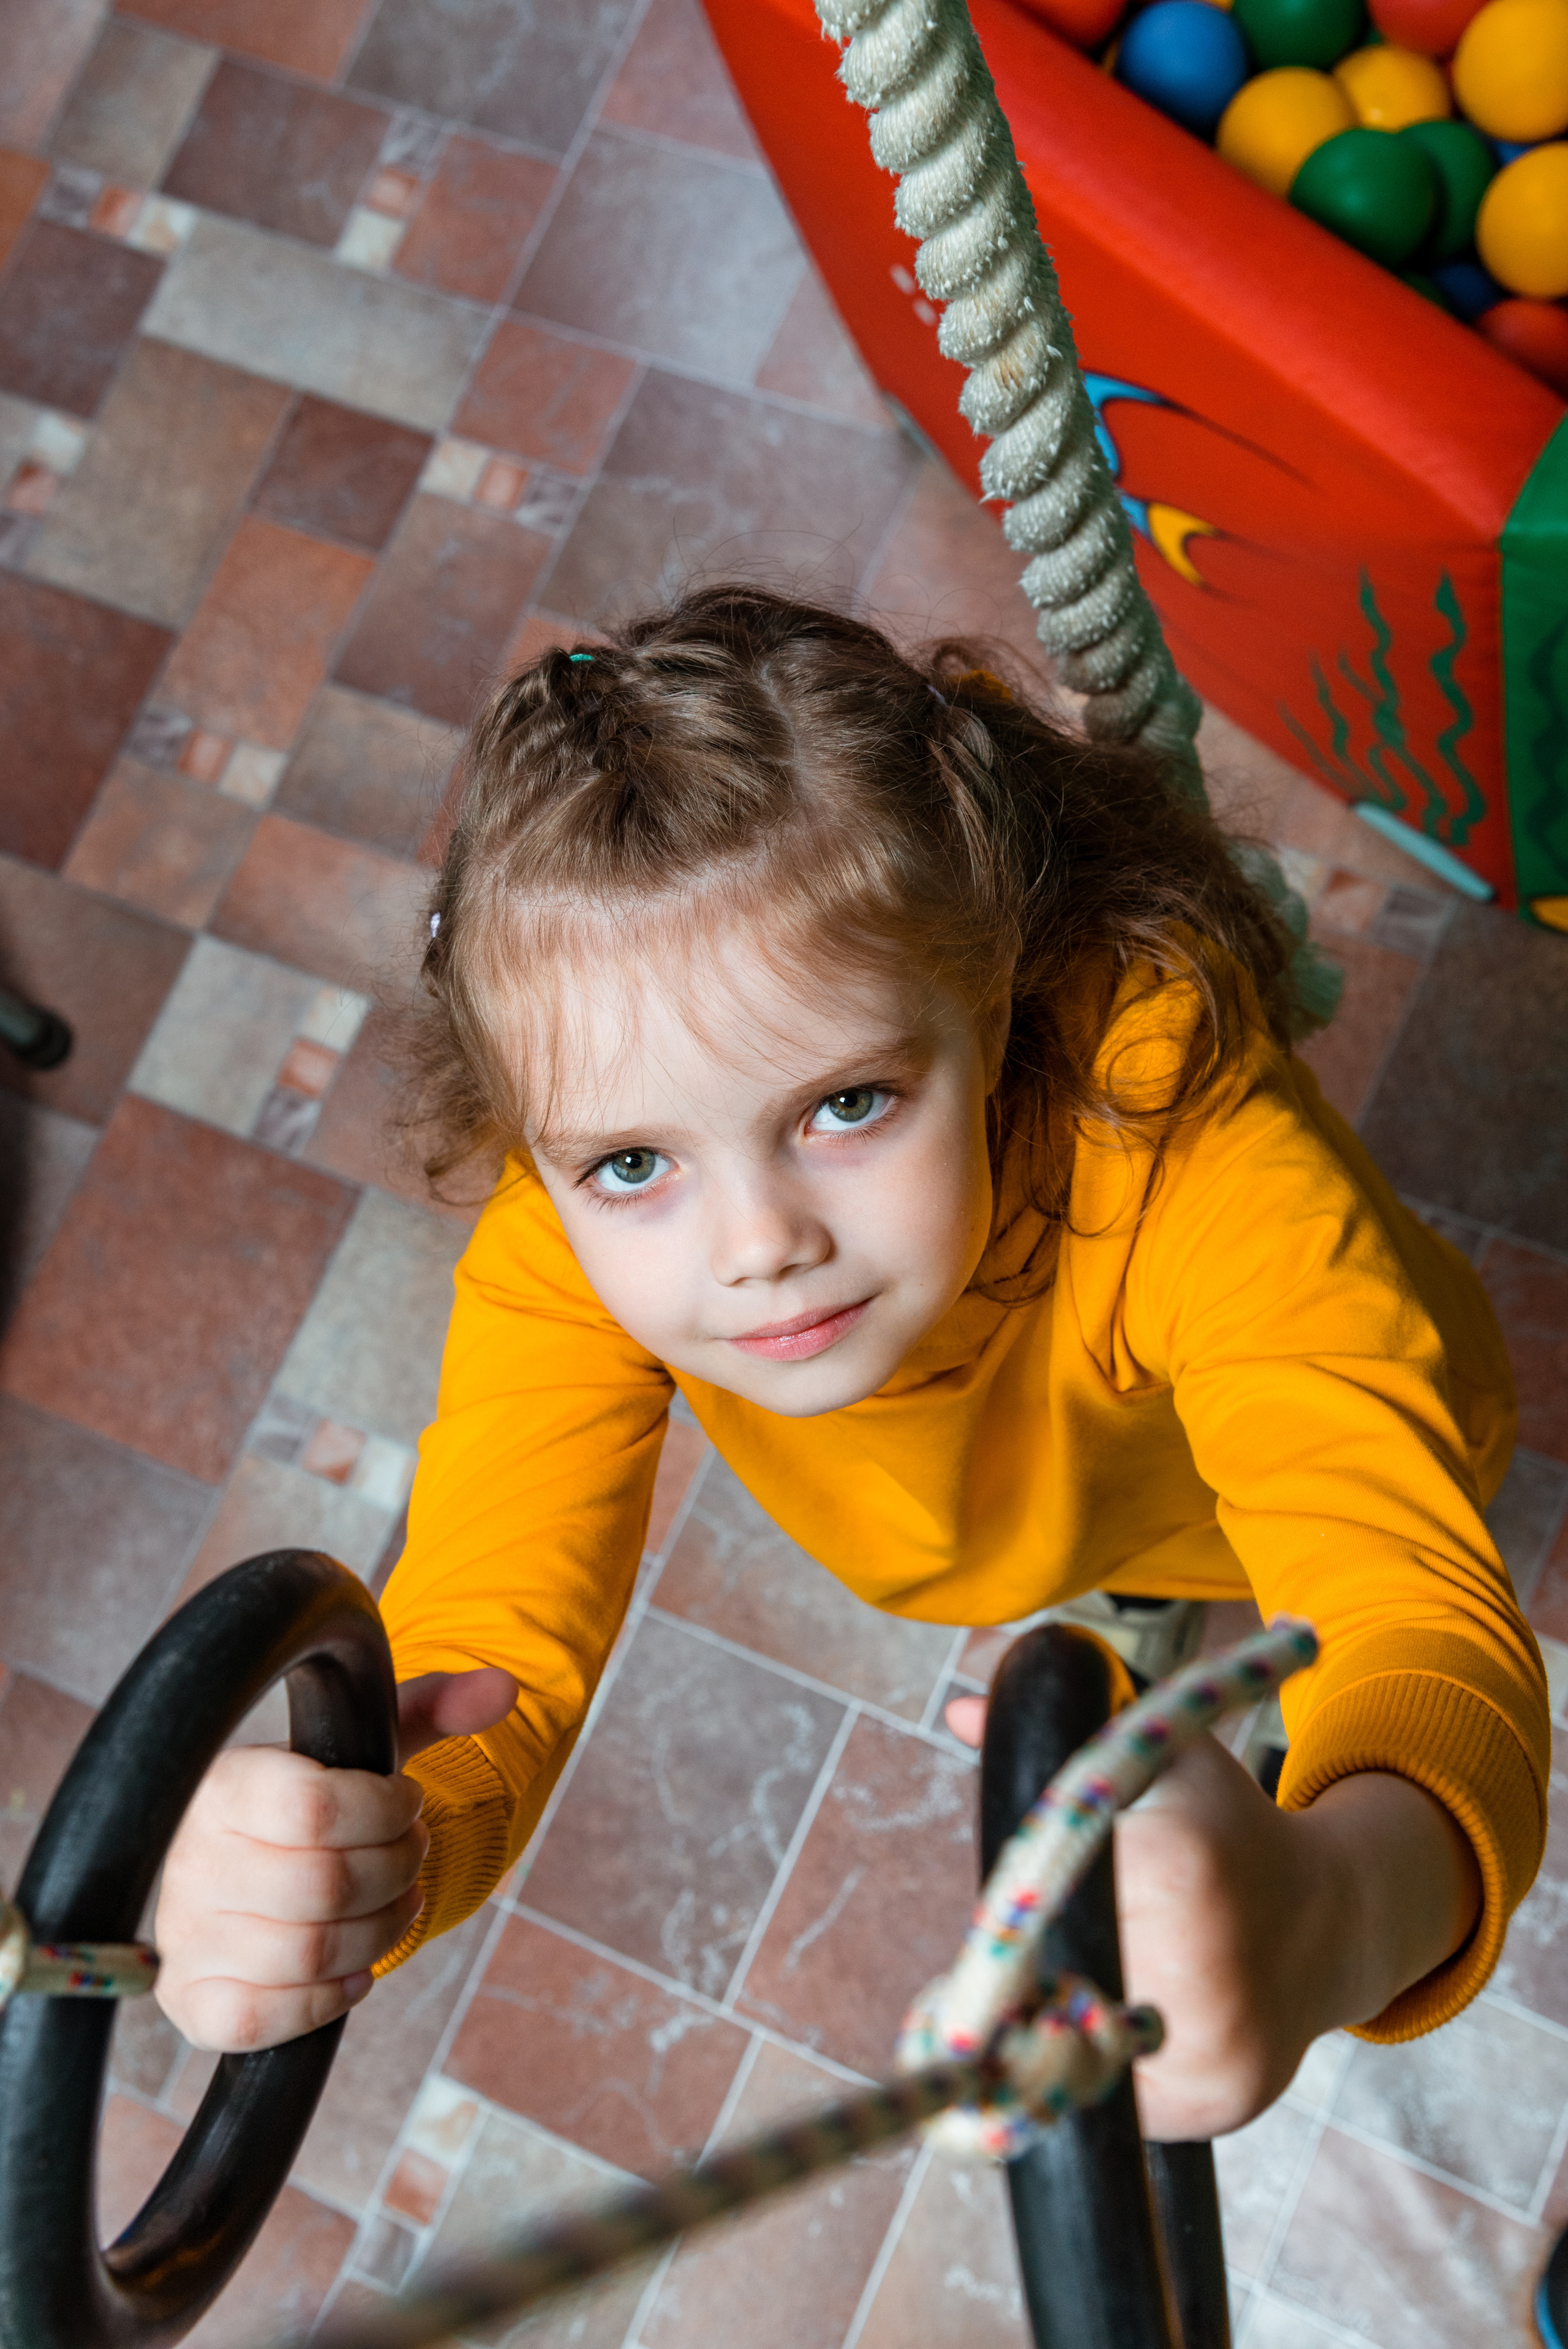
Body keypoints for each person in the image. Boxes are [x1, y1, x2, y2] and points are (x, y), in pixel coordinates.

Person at [153, 589, 1547, 2142]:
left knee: (1279, 1607)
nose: (757, 1246)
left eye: (844, 1105)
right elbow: (485, 1652)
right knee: (1125, 1578)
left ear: (993, 1003)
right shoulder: (559, 1242)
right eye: (631, 1163)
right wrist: (359, 1854)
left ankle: (1184, 1636)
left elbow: (1405, 1614)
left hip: (1285, 1459)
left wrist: (1336, 1906)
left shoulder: (1193, 1159)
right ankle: (1138, 1597)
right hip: (1049, 1512)